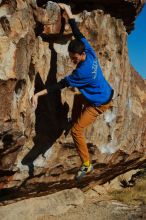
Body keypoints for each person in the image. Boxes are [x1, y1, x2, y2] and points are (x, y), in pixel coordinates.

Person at [32, 3, 114, 181]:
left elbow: (59, 85)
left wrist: (38, 94)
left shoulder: (81, 73)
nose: (72, 60)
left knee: (77, 131)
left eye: (74, 58)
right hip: (101, 92)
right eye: (71, 57)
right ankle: (71, 122)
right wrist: (67, 11)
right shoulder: (89, 51)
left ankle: (86, 163)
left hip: (100, 103)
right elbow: (77, 31)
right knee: (78, 96)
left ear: (82, 55)